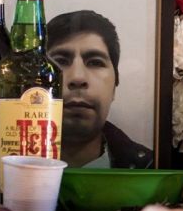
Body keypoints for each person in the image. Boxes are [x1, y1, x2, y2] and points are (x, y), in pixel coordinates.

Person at [46, 10, 152, 169]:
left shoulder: (150, 167)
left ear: (115, 85)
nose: (77, 78)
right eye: (60, 61)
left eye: (95, 62)